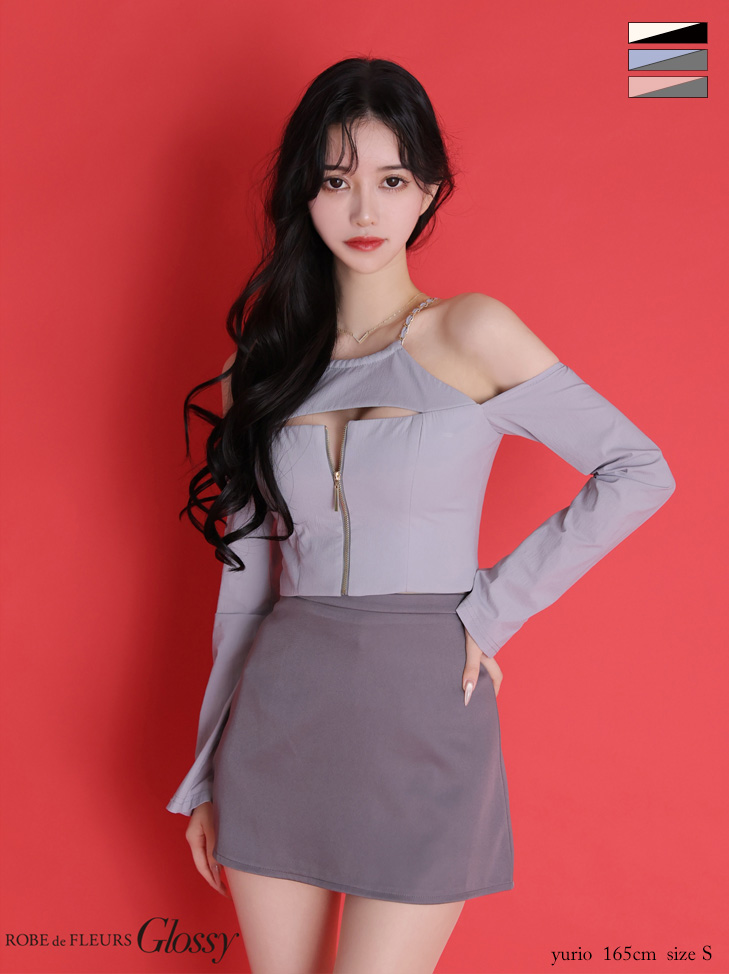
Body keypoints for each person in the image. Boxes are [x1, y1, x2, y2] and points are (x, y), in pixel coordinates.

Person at [165, 57, 676, 974]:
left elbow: (639, 469)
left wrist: (491, 610)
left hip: (422, 713)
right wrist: (205, 769)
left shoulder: (469, 331)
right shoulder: (262, 370)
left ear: (429, 190)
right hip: (279, 717)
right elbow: (244, 593)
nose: (364, 209)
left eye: (391, 180)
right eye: (336, 181)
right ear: (304, 193)